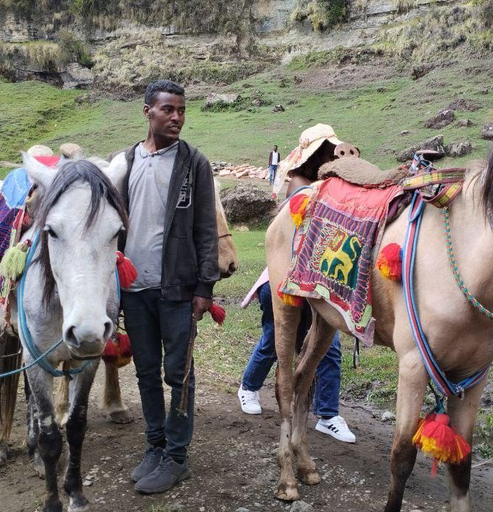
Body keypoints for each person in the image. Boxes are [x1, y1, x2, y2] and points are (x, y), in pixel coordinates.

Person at [119, 79, 219, 495]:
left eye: (181, 109)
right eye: (168, 110)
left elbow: (206, 229)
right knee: (145, 372)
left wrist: (204, 288)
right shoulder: (124, 162)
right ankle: (154, 445)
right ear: (148, 111)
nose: (176, 117)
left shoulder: (194, 163)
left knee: (179, 374)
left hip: (177, 288)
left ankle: (176, 457)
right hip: (135, 287)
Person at [238, 124, 356, 444]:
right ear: (316, 155)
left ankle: (328, 414)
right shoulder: (301, 185)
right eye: (328, 151)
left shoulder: (325, 183)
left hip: (318, 281)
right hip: (286, 281)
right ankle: (248, 388)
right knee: (276, 343)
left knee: (327, 348)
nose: (334, 155)